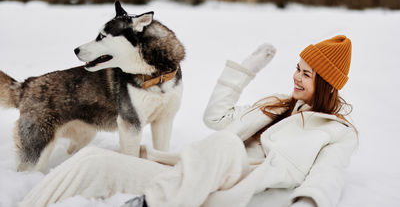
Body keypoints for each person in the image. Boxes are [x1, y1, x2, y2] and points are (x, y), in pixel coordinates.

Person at [19, 35, 357, 207]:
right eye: (297, 69)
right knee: (95, 160)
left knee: (225, 145)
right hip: (190, 182)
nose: (296, 78)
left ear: (326, 83)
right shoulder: (273, 107)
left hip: (234, 196)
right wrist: (245, 71)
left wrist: (309, 203)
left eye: (307, 74)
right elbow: (216, 119)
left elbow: (330, 174)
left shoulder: (337, 131)